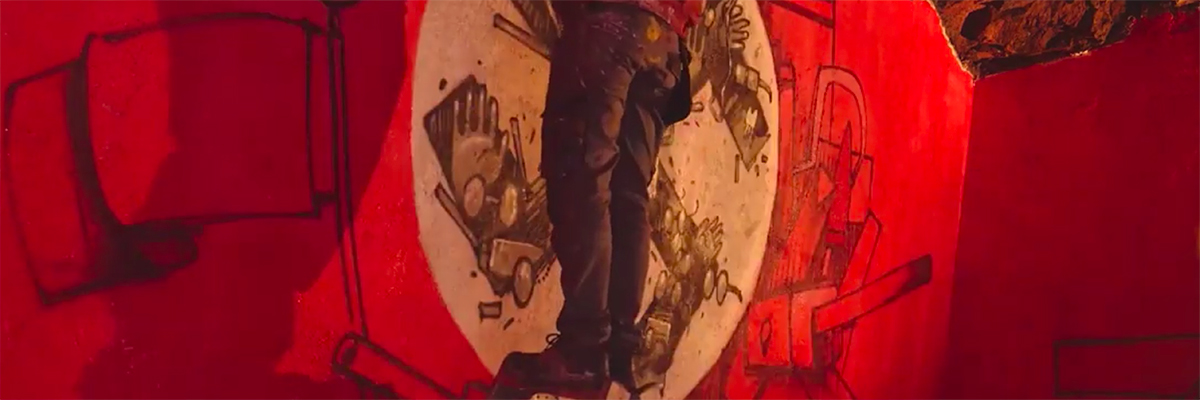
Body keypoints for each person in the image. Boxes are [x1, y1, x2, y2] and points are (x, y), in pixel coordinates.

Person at [510, 0, 703, 394]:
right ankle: (618, 353)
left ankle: (583, 351)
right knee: (628, 194)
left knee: (583, 176)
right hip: (666, 37)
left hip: (612, 21)